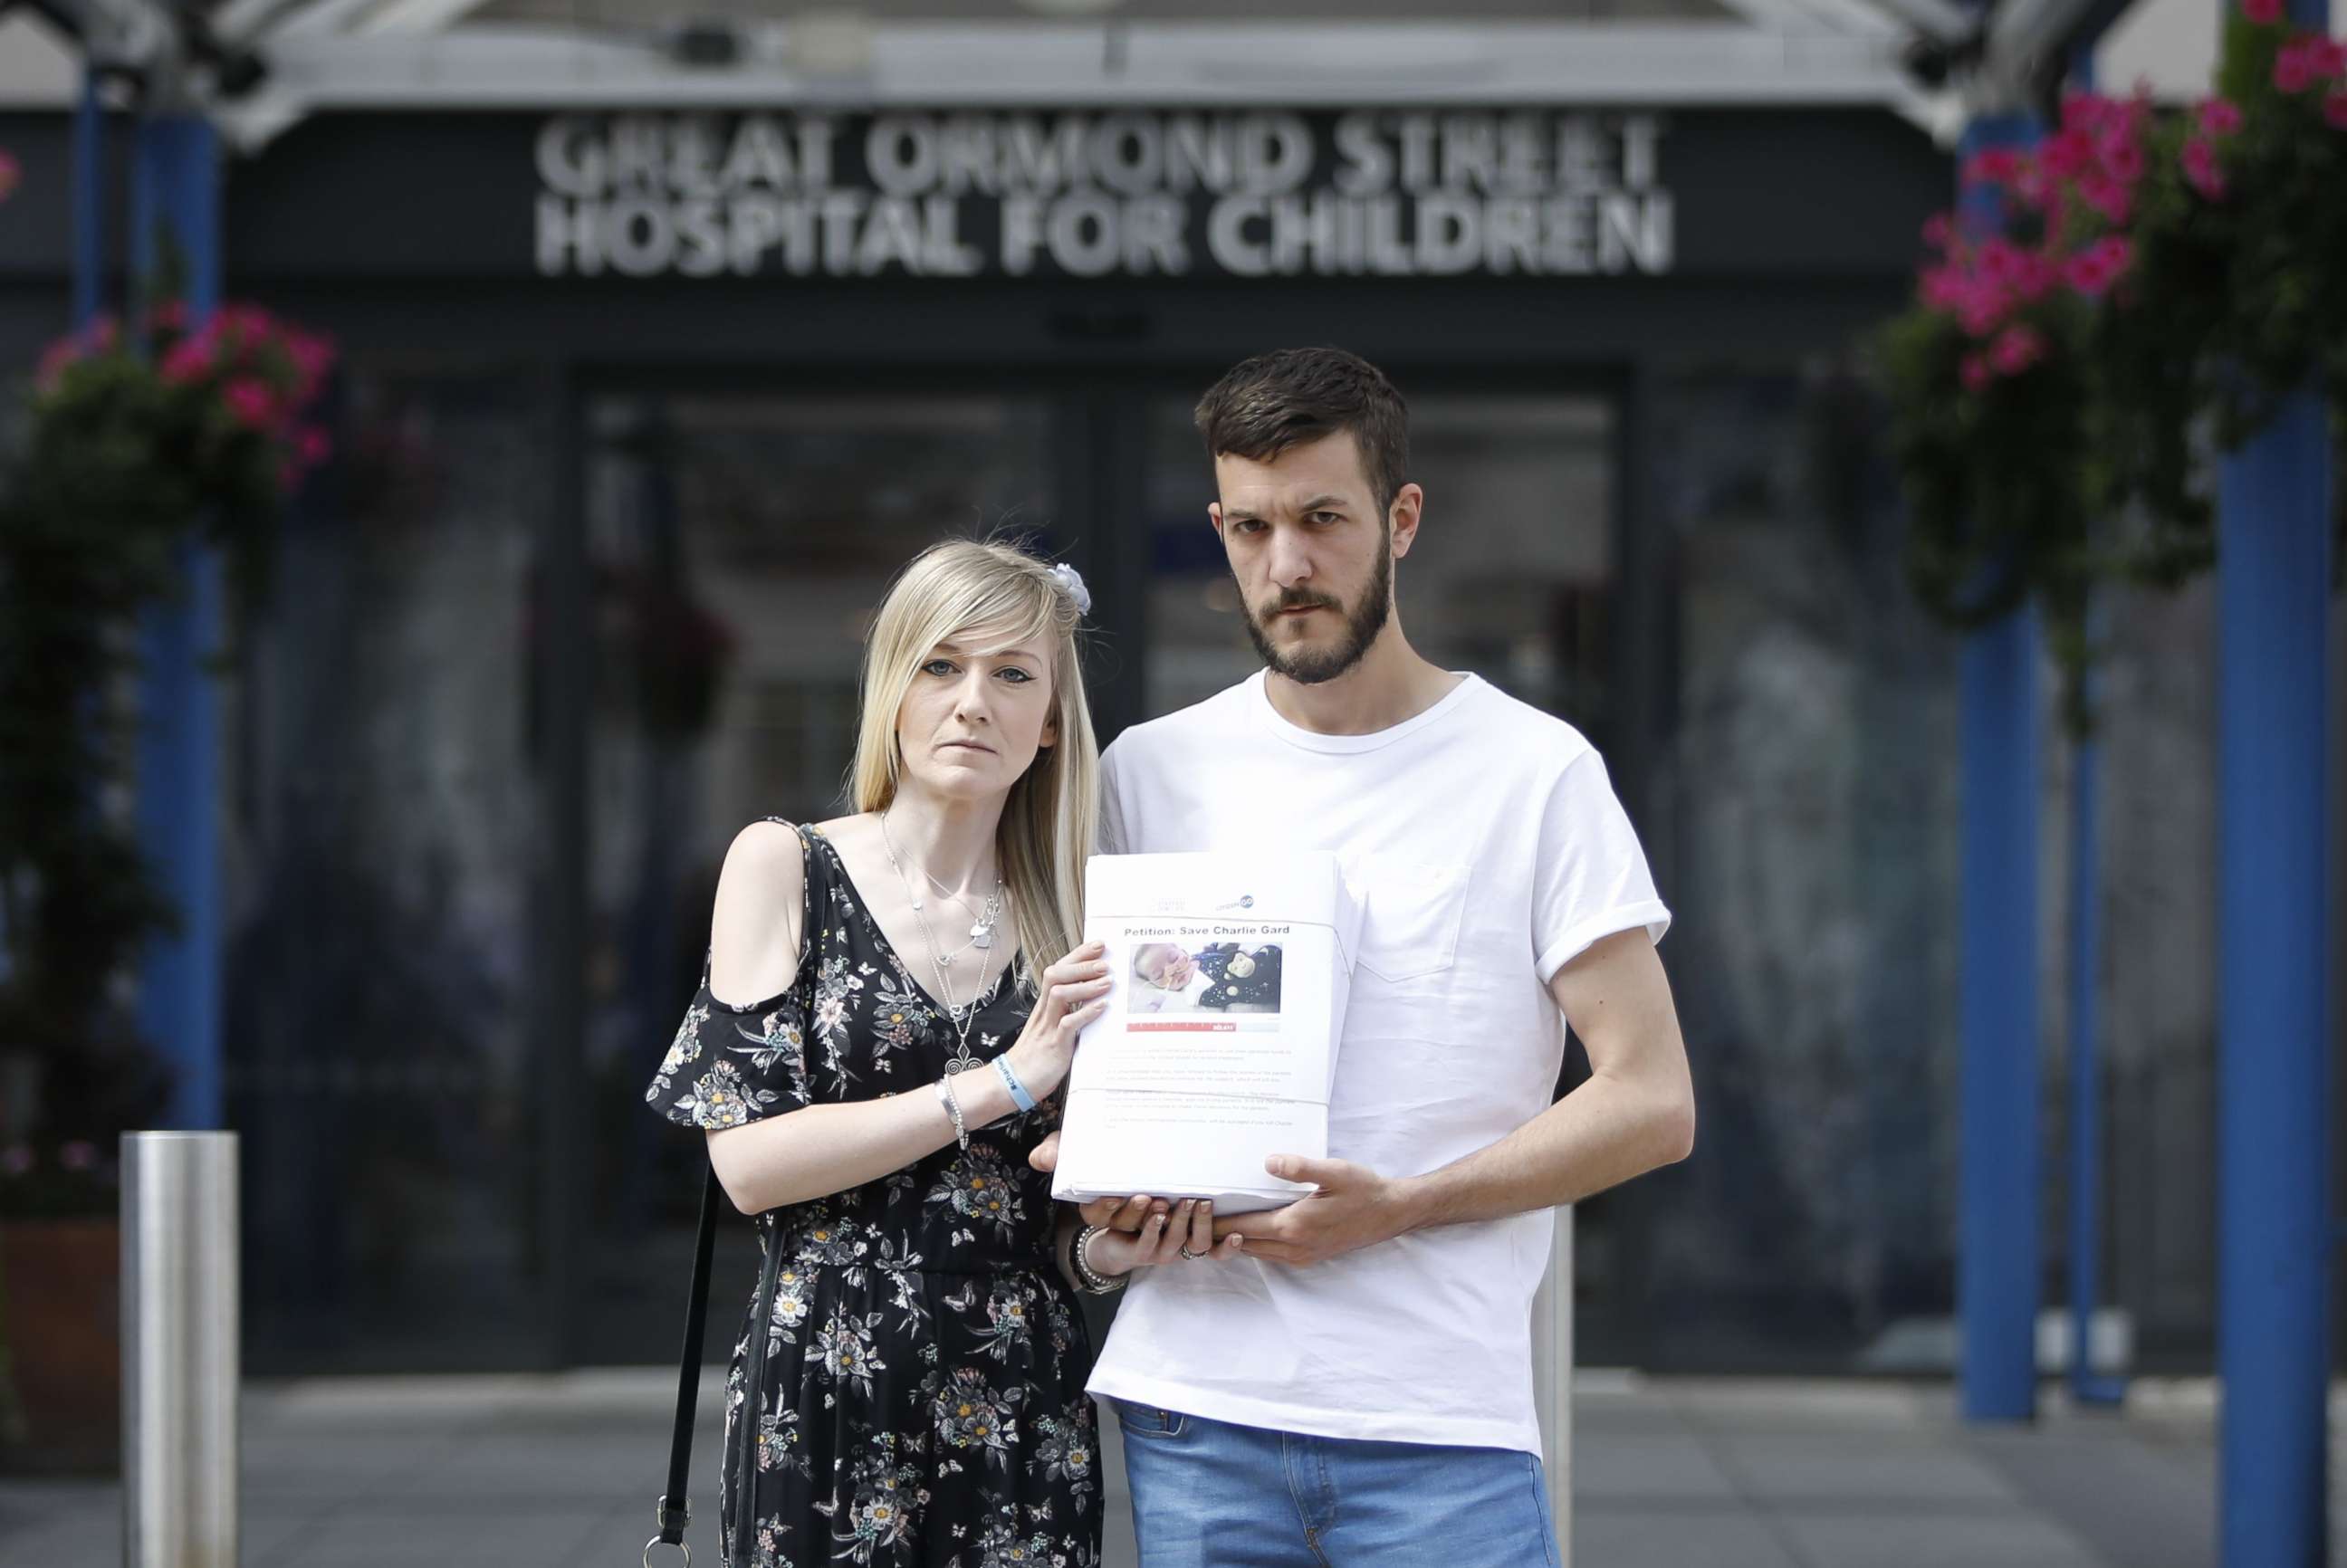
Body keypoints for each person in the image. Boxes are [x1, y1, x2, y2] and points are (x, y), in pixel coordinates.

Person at [1034, 349, 1698, 1566]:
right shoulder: (1146, 772)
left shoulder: (1536, 773)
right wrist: (1100, 1173)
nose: (1285, 566)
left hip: (1438, 1428)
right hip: (1198, 1413)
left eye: (1321, 519)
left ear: (1401, 520)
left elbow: (1652, 1102)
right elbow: (1096, 1073)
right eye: (1251, 526)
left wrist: (1401, 1209)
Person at [644, 540, 1198, 1568]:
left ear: (1048, 727)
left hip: (1023, 1404)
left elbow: (1053, 1228)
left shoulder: (1078, 921)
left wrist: (1107, 1253)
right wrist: (998, 1084)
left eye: (1013, 674)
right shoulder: (785, 865)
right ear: (894, 690)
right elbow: (750, 1166)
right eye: (942, 666)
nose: (973, 702)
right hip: (823, 1388)